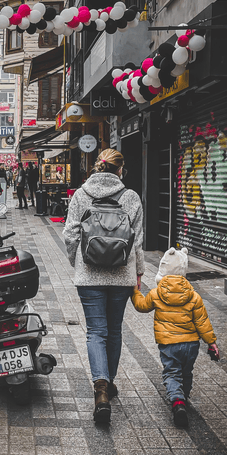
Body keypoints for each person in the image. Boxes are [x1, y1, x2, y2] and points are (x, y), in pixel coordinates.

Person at [63, 148, 144, 424]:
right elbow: (138, 240)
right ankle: (108, 382)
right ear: (120, 170)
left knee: (96, 332)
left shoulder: (81, 195)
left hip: (89, 276)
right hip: (122, 276)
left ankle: (101, 392)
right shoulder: (130, 197)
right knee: (114, 330)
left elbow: (70, 235)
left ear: (98, 167)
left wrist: (77, 262)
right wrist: (139, 273)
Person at [131, 247, 219, 428]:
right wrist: (211, 343)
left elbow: (141, 306)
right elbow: (203, 322)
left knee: (171, 373)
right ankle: (184, 397)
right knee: (186, 372)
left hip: (169, 344)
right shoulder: (194, 296)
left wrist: (134, 291)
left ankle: (177, 402)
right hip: (191, 345)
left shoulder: (156, 294)